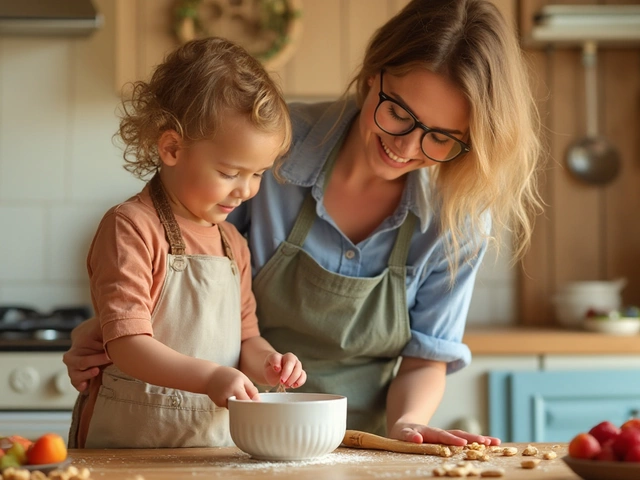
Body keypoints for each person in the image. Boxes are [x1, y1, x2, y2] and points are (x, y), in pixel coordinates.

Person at [64, 0, 541, 447]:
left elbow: (425, 357)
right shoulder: (265, 147)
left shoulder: (457, 219)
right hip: (245, 435)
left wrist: (407, 426)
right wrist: (114, 330)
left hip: (367, 441)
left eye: (440, 137)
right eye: (398, 112)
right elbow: (175, 245)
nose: (408, 147)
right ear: (373, 74)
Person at [67, 36, 306, 449]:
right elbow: (127, 344)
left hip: (211, 449)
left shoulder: (233, 244)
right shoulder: (131, 227)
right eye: (231, 172)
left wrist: (268, 364)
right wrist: (210, 377)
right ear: (172, 148)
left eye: (258, 173)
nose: (247, 190)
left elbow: (246, 339)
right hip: (128, 447)